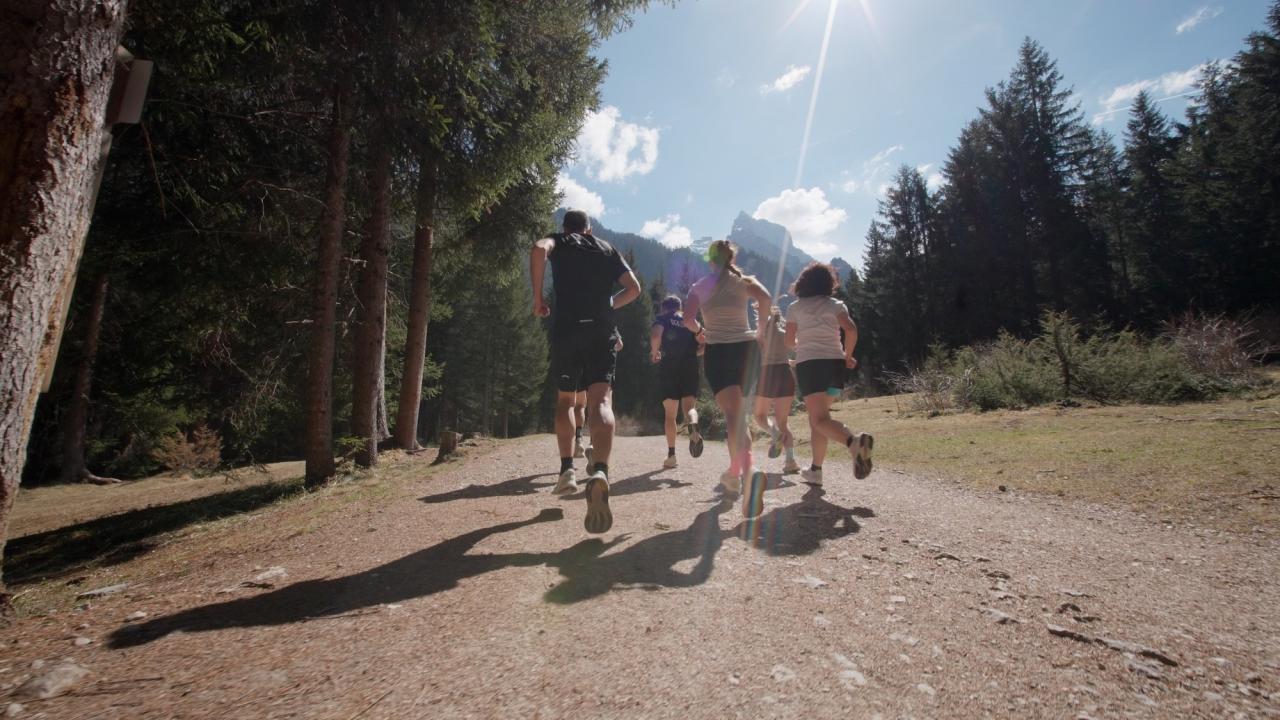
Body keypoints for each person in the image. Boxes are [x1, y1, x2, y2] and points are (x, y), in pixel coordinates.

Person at [531, 210, 641, 533]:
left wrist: (538, 299)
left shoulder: (560, 241)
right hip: (601, 331)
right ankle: (602, 472)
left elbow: (538, 250)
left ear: (567, 228)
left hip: (567, 330)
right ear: (589, 230)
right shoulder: (605, 248)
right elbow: (634, 288)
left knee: (566, 400)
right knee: (601, 402)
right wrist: (607, 305)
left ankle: (567, 470)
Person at [684, 240, 772, 518]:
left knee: (733, 415)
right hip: (747, 350)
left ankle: (749, 472)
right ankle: (735, 474)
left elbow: (687, 319)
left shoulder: (699, 286)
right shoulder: (744, 281)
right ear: (731, 257)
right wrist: (759, 330)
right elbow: (766, 299)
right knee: (739, 415)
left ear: (710, 260)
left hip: (719, 350)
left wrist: (701, 331)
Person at [784, 262, 874, 486]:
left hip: (810, 366)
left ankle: (853, 442)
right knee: (821, 418)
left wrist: (802, 346)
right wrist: (847, 355)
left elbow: (788, 341)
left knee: (818, 419)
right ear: (828, 283)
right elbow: (851, 330)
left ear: (803, 282)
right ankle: (815, 470)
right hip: (835, 365)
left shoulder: (795, 308)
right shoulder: (836, 304)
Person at [649, 295, 704, 469]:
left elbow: (656, 335)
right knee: (689, 407)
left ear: (664, 308)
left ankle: (672, 455)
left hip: (668, 367)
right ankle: (693, 427)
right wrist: (692, 354)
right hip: (689, 366)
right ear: (680, 307)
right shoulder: (689, 321)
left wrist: (654, 352)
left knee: (670, 415)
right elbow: (705, 343)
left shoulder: (662, 318)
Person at [753, 304, 800, 474]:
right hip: (785, 374)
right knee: (783, 422)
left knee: (759, 416)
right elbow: (798, 346)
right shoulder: (783, 334)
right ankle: (790, 461)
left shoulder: (758, 334)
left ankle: (774, 434)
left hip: (768, 374)